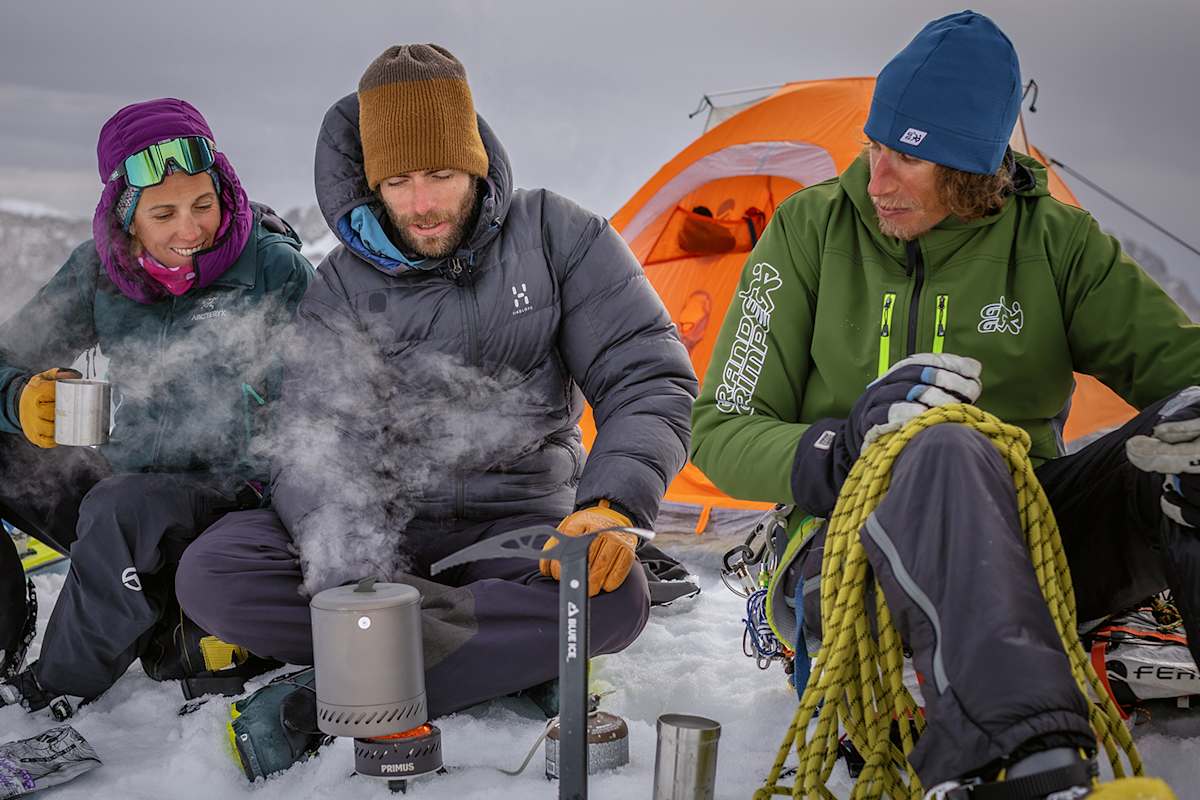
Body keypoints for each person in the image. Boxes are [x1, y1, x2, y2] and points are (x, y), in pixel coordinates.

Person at [691, 11, 1197, 798]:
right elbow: (717, 429)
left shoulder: (1055, 242)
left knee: (1188, 435)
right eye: (875, 145)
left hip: (1030, 537)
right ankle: (1022, 768)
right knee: (945, 443)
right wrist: (845, 444)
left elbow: (1182, 374)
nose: (876, 177)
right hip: (844, 550)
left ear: (974, 173)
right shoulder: (808, 231)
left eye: (908, 158)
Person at [175, 44, 696, 718]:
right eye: (398, 182)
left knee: (616, 601)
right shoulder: (339, 286)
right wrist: (353, 576)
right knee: (215, 575)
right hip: (382, 533)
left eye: (440, 174)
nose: (421, 204)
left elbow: (647, 377)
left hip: (520, 526)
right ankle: (499, 655)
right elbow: (316, 445)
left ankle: (356, 673)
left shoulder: (559, 236)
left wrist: (614, 506)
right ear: (370, 183)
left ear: (475, 162)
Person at [0, 98, 314, 716]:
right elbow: (9, 354)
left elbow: (334, 406)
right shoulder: (102, 271)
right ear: (126, 217)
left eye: (204, 205)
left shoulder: (275, 271)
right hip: (131, 483)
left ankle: (60, 679)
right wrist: (20, 396)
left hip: (235, 501)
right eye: (163, 213)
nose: (191, 230)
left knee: (122, 507)